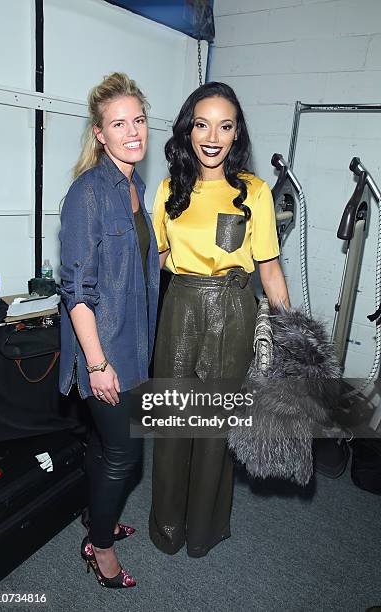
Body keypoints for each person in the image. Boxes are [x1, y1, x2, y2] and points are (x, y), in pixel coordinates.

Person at [149, 81, 290, 558]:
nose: (212, 136)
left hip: (234, 310)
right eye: (202, 124)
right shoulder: (169, 189)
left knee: (213, 428)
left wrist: (288, 337)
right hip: (181, 308)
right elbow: (162, 257)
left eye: (224, 126)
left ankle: (204, 531)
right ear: (188, 130)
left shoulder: (256, 191)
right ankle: (166, 528)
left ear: (235, 134)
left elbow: (269, 267)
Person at [59, 72, 159, 587]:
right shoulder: (88, 193)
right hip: (107, 352)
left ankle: (93, 519)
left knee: (103, 445)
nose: (133, 131)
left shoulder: (137, 187)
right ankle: (99, 549)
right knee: (125, 453)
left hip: (134, 347)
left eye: (138, 119)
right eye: (119, 123)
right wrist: (97, 363)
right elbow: (76, 291)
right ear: (100, 133)